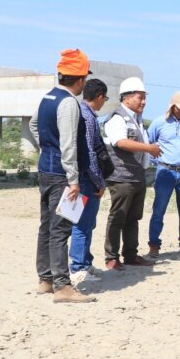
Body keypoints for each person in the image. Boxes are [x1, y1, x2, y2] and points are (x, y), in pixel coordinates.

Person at [28, 49, 96, 304]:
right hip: (61, 175)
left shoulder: (48, 96)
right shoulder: (68, 103)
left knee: (46, 226)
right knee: (60, 229)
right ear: (79, 79)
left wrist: (46, 146)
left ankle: (45, 279)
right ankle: (62, 286)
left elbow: (34, 124)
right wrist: (74, 179)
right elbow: (69, 145)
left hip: (46, 169)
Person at [102, 76, 160, 269]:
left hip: (136, 176)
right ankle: (111, 257)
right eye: (139, 97)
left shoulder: (137, 119)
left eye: (144, 98)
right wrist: (149, 148)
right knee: (118, 217)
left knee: (133, 218)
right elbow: (121, 142)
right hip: (121, 178)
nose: (143, 101)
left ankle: (130, 255)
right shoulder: (117, 118)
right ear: (126, 98)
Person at [147, 91, 180, 259]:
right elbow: (149, 143)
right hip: (164, 172)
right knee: (159, 210)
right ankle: (154, 245)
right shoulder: (159, 122)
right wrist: (157, 163)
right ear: (172, 106)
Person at [69, 78, 110, 286]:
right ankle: (78, 268)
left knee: (86, 224)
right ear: (100, 96)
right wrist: (99, 182)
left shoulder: (81, 112)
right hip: (86, 180)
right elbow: (90, 154)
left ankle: (85, 262)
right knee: (82, 225)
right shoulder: (88, 117)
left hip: (82, 177)